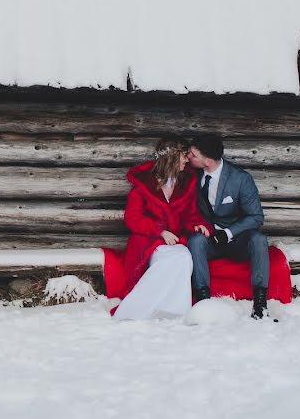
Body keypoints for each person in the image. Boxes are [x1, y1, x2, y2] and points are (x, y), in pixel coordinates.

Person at [113, 137, 211, 320]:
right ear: (172, 158)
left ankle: (173, 311)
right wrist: (159, 231)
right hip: (148, 241)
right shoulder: (143, 186)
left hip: (174, 240)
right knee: (172, 259)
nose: (187, 160)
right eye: (183, 155)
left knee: (183, 258)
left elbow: (191, 214)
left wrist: (197, 224)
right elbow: (132, 218)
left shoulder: (185, 184)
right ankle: (137, 309)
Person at [186, 134, 270, 319]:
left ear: (207, 161)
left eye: (193, 154)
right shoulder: (191, 175)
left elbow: (256, 217)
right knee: (196, 241)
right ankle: (203, 301)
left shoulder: (240, 179)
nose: (188, 157)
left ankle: (260, 304)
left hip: (236, 241)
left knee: (259, 240)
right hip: (209, 239)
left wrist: (229, 232)